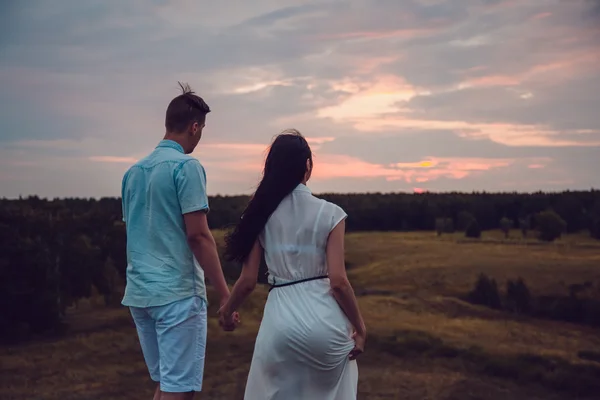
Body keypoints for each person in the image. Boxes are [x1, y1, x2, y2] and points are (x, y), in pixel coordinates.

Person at [219, 129, 367, 400]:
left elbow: (248, 281)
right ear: (307, 166)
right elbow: (339, 282)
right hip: (328, 326)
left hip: (280, 326)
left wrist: (227, 312)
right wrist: (360, 327)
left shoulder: (259, 213)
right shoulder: (331, 214)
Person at [121, 82, 237, 400]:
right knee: (180, 390)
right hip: (177, 295)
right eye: (202, 130)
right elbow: (198, 236)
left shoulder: (133, 173)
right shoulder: (187, 167)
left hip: (140, 294)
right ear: (195, 127)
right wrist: (226, 295)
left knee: (167, 385)